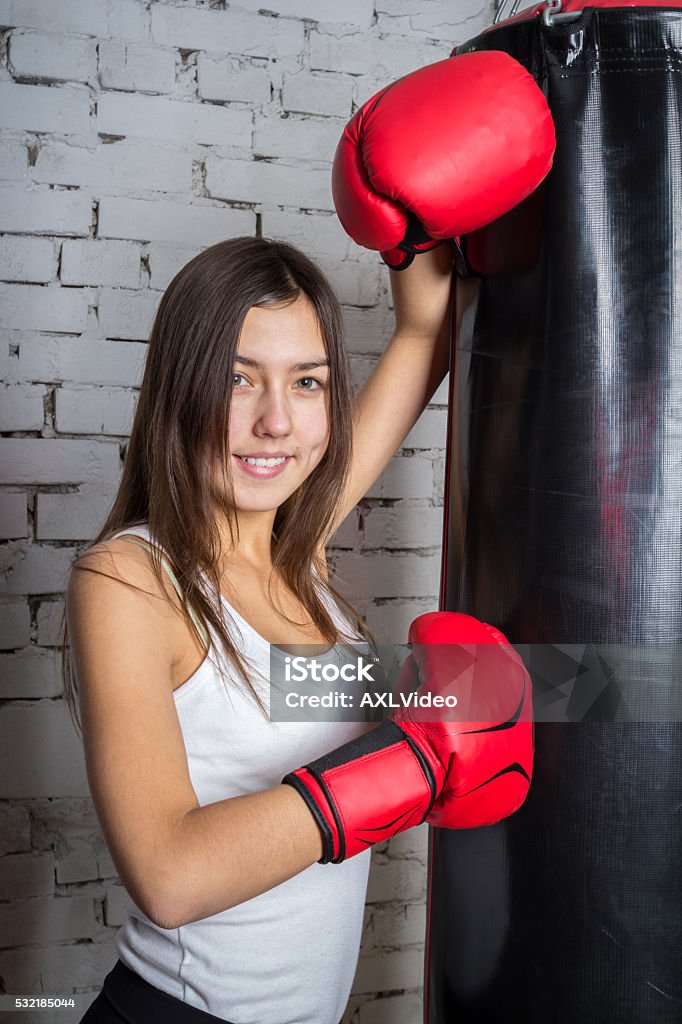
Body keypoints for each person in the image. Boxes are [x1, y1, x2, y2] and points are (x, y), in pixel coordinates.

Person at [64, 49, 552, 1024]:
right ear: (180, 387)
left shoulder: (298, 551)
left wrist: (417, 245)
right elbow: (169, 874)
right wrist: (415, 762)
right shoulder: (129, 578)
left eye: (306, 381)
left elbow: (420, 347)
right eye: (239, 376)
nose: (275, 422)